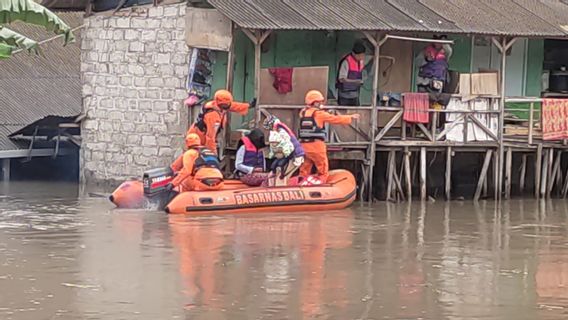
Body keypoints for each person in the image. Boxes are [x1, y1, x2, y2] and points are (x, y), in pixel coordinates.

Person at [298, 90, 359, 181]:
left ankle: (301, 182)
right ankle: (323, 183)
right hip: (316, 146)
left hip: (304, 146)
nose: (321, 103)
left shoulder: (302, 113)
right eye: (320, 102)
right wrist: (349, 117)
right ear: (315, 103)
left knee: (305, 168)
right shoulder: (319, 114)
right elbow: (335, 119)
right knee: (322, 168)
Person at [187, 89, 256, 154]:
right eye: (228, 104)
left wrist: (248, 106)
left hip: (199, 135)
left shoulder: (217, 104)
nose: (230, 105)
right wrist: (213, 153)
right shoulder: (213, 116)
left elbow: (234, 106)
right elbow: (210, 137)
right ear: (223, 104)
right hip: (197, 139)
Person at [336, 41, 369, 106]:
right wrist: (356, 81)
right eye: (359, 55)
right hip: (344, 95)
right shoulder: (346, 62)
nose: (361, 57)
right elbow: (341, 79)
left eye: (362, 55)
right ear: (353, 53)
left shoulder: (361, 61)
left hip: (355, 95)